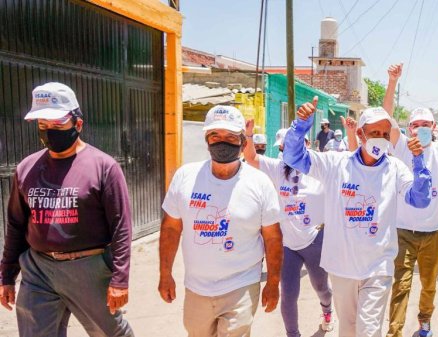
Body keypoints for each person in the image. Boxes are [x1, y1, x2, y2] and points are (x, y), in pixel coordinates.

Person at [284, 96, 432, 337]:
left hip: (378, 266)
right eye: (375, 132)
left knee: (369, 331)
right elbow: (293, 157)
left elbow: (420, 199)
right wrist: (301, 125)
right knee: (349, 329)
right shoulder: (336, 163)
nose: (381, 139)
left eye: (385, 134)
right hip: (342, 267)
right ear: (361, 134)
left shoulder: (395, 168)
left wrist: (418, 162)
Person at [0, 82, 134, 336]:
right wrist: (6, 275)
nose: (50, 131)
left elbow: (122, 229)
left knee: (109, 332)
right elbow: (16, 225)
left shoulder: (104, 168)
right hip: (38, 269)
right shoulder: (26, 168)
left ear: (78, 124)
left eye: (58, 125)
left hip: (88, 269)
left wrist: (120, 279)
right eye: (43, 125)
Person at [158, 105, 284, 337]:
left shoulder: (259, 183)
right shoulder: (186, 177)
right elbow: (171, 228)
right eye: (215, 135)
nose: (222, 142)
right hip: (196, 286)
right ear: (207, 140)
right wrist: (165, 274)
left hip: (241, 284)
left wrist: (273, 282)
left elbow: (273, 237)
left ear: (243, 143)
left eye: (230, 137)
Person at [367, 64, 438, 337]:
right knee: (400, 285)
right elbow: (385, 117)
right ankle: (395, 331)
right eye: (415, 125)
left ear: (434, 127)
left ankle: (424, 323)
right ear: (408, 128)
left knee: (429, 284)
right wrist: (391, 81)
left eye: (425, 125)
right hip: (403, 231)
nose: (420, 130)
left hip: (435, 232)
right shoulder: (402, 146)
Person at [243, 119, 334, 337]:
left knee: (321, 287)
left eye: (292, 146)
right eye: (283, 148)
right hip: (287, 246)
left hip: (315, 240)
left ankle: (327, 310)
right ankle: (293, 334)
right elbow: (251, 158)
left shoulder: (320, 168)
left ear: (306, 144)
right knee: (289, 294)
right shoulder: (277, 168)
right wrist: (248, 136)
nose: (286, 151)